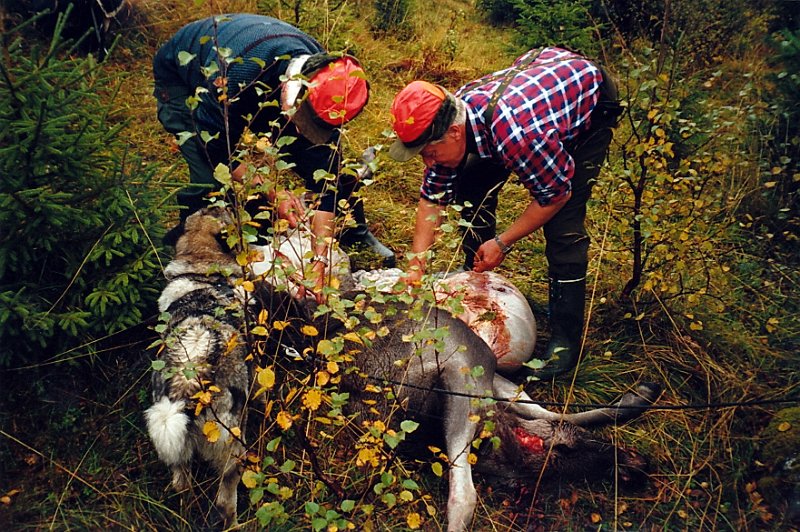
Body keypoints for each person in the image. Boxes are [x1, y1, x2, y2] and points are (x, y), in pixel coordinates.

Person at [388, 47, 622, 377]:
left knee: (563, 226)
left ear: (454, 133)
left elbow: (554, 195)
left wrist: (503, 241)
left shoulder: (520, 136)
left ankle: (565, 341)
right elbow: (432, 198)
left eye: (429, 152)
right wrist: (416, 265)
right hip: (540, 79)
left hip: (589, 103)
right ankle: (478, 278)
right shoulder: (451, 119)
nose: (427, 161)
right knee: (469, 178)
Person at [153, 13, 395, 273]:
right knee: (210, 177)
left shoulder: (329, 81)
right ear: (292, 92)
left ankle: (355, 232)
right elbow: (215, 148)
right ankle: (190, 254)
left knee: (330, 163)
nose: (304, 131)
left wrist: (320, 260)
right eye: (303, 122)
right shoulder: (237, 76)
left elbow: (326, 179)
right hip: (184, 74)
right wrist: (272, 192)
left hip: (260, 75)